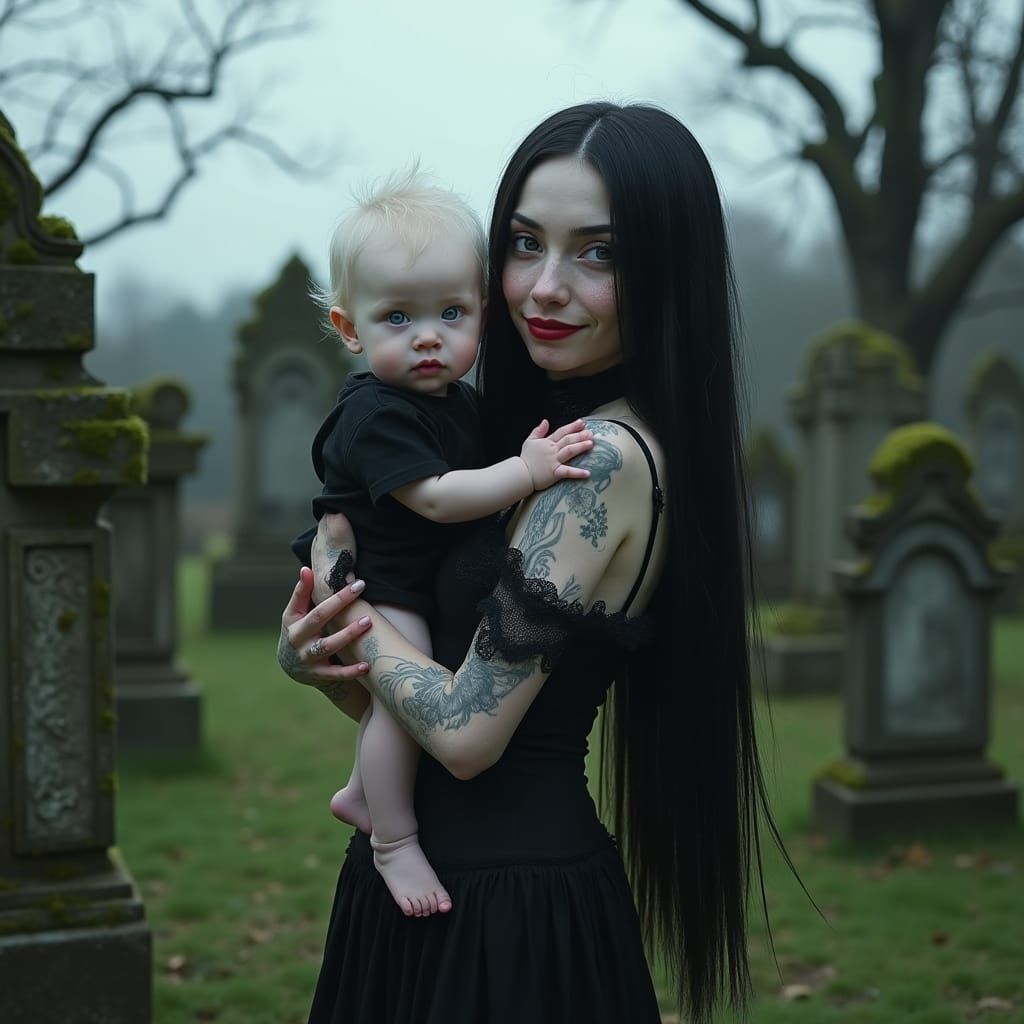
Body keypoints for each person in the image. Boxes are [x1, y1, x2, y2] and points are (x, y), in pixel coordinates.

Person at [278, 101, 776, 1024]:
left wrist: (351, 617)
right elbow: (422, 698)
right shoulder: (511, 436)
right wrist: (319, 661)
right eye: (522, 243)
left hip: (507, 922)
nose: (543, 287)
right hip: (423, 891)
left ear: (666, 272)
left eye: (599, 253)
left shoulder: (605, 462)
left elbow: (467, 734)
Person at [293, 171, 596, 919]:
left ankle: (363, 789)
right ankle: (392, 837)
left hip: (415, 573)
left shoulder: (456, 402)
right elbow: (433, 496)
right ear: (349, 329)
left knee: (400, 698)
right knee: (407, 698)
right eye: (397, 317)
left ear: (482, 317)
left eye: (451, 313)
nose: (428, 336)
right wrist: (523, 472)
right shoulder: (376, 412)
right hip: (384, 582)